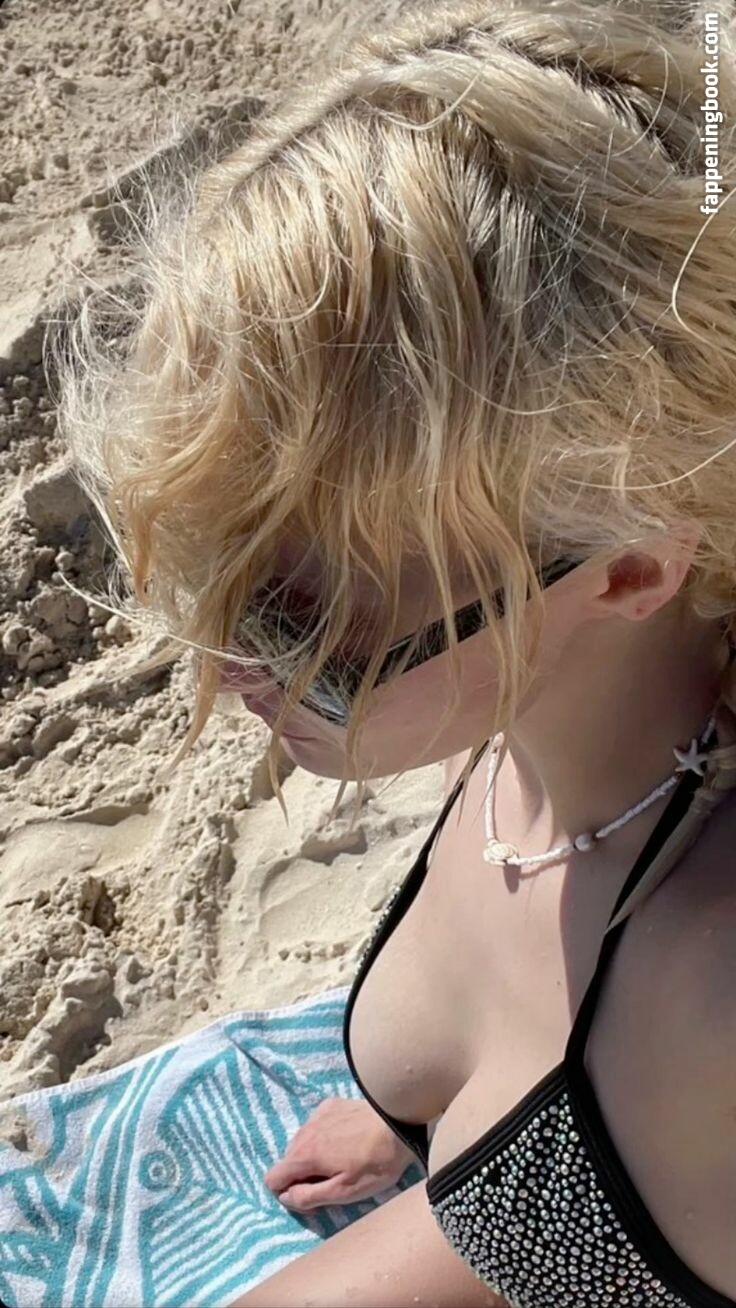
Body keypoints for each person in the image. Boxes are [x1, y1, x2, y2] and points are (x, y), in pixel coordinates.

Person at [51, 0, 736, 1303]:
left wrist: (528, 1191)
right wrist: (428, 1124)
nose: (223, 667)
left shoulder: (713, 1001)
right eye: (215, 566)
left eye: (295, 621)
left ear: (631, 567)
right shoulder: (529, 703)